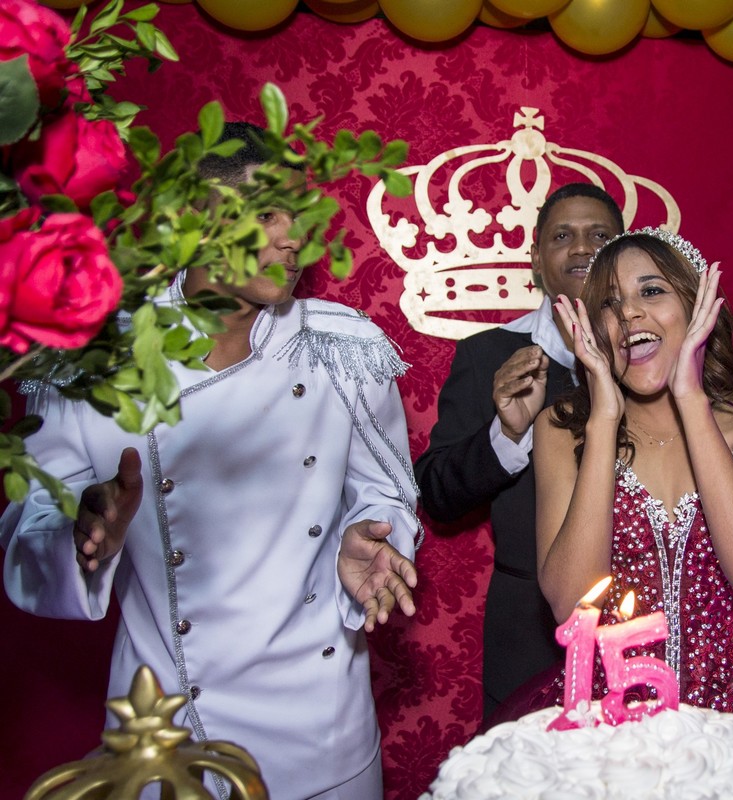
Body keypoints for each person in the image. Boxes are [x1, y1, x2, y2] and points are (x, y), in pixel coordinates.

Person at [0, 122, 422, 800]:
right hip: (161, 719)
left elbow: (389, 492)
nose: (294, 238)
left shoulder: (341, 351)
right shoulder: (92, 360)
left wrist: (367, 538)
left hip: (318, 718)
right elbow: (28, 531)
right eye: (269, 214)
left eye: (302, 215)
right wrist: (84, 534)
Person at [528, 228, 733, 797]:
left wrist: (691, 398)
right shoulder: (562, 430)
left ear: (696, 302)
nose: (629, 313)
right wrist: (603, 419)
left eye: (651, 291)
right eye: (609, 303)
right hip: (608, 721)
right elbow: (569, 602)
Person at [415, 183, 623, 717]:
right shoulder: (488, 354)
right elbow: (436, 492)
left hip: (642, 618)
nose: (582, 248)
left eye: (600, 236)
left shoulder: (651, 354)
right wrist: (505, 435)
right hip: (528, 629)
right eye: (563, 236)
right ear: (536, 258)